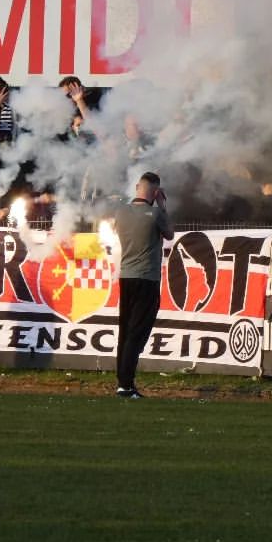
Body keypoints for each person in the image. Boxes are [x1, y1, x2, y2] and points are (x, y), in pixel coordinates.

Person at [113, 171, 174, 399]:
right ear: (156, 192)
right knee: (137, 333)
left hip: (126, 276)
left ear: (137, 187)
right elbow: (169, 234)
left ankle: (122, 382)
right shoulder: (155, 213)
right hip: (147, 279)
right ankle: (126, 384)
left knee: (125, 330)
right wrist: (162, 206)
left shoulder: (120, 212)